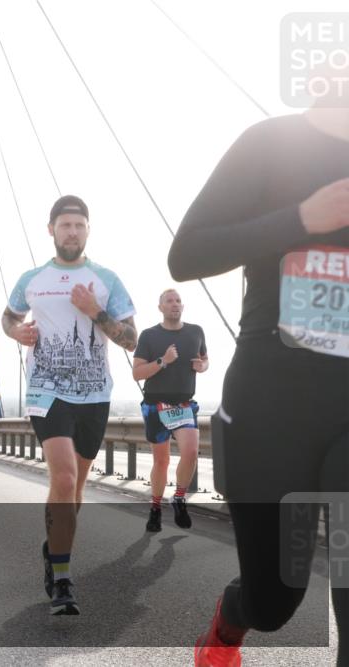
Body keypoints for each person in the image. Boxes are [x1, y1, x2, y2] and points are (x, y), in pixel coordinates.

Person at [168, 98, 348, 666]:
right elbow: (185, 255)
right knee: (272, 601)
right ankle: (230, 622)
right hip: (274, 400)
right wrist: (301, 219)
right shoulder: (272, 143)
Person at [2, 194, 137, 615]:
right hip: (47, 390)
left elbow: (131, 339)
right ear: (52, 230)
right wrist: (16, 333)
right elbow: (8, 316)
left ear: (88, 231)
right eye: (65, 225)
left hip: (94, 394)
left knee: (75, 491)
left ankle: (53, 547)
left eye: (79, 226)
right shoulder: (32, 279)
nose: (72, 232)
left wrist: (95, 311)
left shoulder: (106, 279)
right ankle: (62, 579)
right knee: (62, 478)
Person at [132, 289, 208, 532]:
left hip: (184, 404)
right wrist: (163, 361)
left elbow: (205, 359)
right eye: (169, 301)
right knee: (161, 461)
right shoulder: (149, 335)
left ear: (182, 306)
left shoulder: (196, 331)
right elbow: (137, 373)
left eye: (178, 300)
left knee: (191, 452)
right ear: (160, 307)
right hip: (156, 405)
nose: (175, 304)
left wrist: (202, 366)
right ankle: (155, 508)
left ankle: (179, 498)